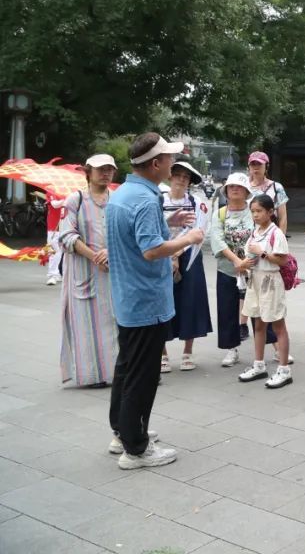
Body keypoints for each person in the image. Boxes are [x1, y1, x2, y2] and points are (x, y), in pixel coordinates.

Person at [106, 132, 202, 469]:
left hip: (127, 297)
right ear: (156, 163)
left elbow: (134, 236)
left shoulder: (123, 193)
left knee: (126, 368)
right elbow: (151, 250)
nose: (173, 164)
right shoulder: (146, 199)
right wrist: (188, 238)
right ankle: (136, 448)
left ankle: (123, 432)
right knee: (143, 376)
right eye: (170, 159)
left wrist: (166, 222)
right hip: (146, 300)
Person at [58, 153, 119, 387]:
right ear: (88, 172)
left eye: (109, 169)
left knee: (115, 324)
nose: (106, 173)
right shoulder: (75, 200)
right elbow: (66, 236)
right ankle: (91, 376)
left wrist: (111, 251)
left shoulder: (117, 200)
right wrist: (94, 256)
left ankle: (117, 373)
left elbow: (126, 233)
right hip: (84, 272)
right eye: (100, 169)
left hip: (114, 272)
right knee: (86, 326)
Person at [160, 160, 212, 373]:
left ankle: (187, 352)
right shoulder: (158, 200)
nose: (181, 180)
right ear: (170, 176)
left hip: (189, 254)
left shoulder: (197, 203)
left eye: (186, 177)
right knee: (160, 303)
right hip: (161, 253)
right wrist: (169, 253)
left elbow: (200, 230)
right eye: (178, 175)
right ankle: (162, 353)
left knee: (191, 302)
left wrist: (178, 252)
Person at [236, 194, 292, 389]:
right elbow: (249, 255)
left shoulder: (276, 233)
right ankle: (259, 365)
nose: (255, 215)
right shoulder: (256, 231)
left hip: (270, 281)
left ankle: (284, 369)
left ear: (270, 212)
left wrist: (262, 253)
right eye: (253, 211)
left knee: (278, 326)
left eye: (259, 211)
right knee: (258, 325)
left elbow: (282, 260)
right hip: (255, 280)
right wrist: (244, 263)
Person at [209, 173, 254, 367]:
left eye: (239, 186)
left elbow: (261, 234)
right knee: (227, 310)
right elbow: (217, 240)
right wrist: (236, 261)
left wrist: (247, 261)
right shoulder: (219, 214)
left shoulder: (253, 211)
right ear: (226, 191)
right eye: (231, 186)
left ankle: (273, 345)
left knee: (261, 309)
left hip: (253, 268)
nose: (234, 189)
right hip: (227, 269)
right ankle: (231, 349)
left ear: (246, 191)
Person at [247, 151, 289, 234]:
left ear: (266, 166)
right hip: (246, 234)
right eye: (253, 164)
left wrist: (280, 238)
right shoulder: (243, 187)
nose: (256, 167)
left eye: (259, 164)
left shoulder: (276, 187)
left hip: (269, 234)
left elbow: (282, 217)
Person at [45, 189, 65, 285]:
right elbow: (55, 204)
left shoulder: (66, 191)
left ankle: (58, 274)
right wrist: (66, 199)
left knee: (63, 252)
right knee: (53, 251)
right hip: (53, 228)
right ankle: (52, 275)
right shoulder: (50, 191)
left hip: (65, 226)